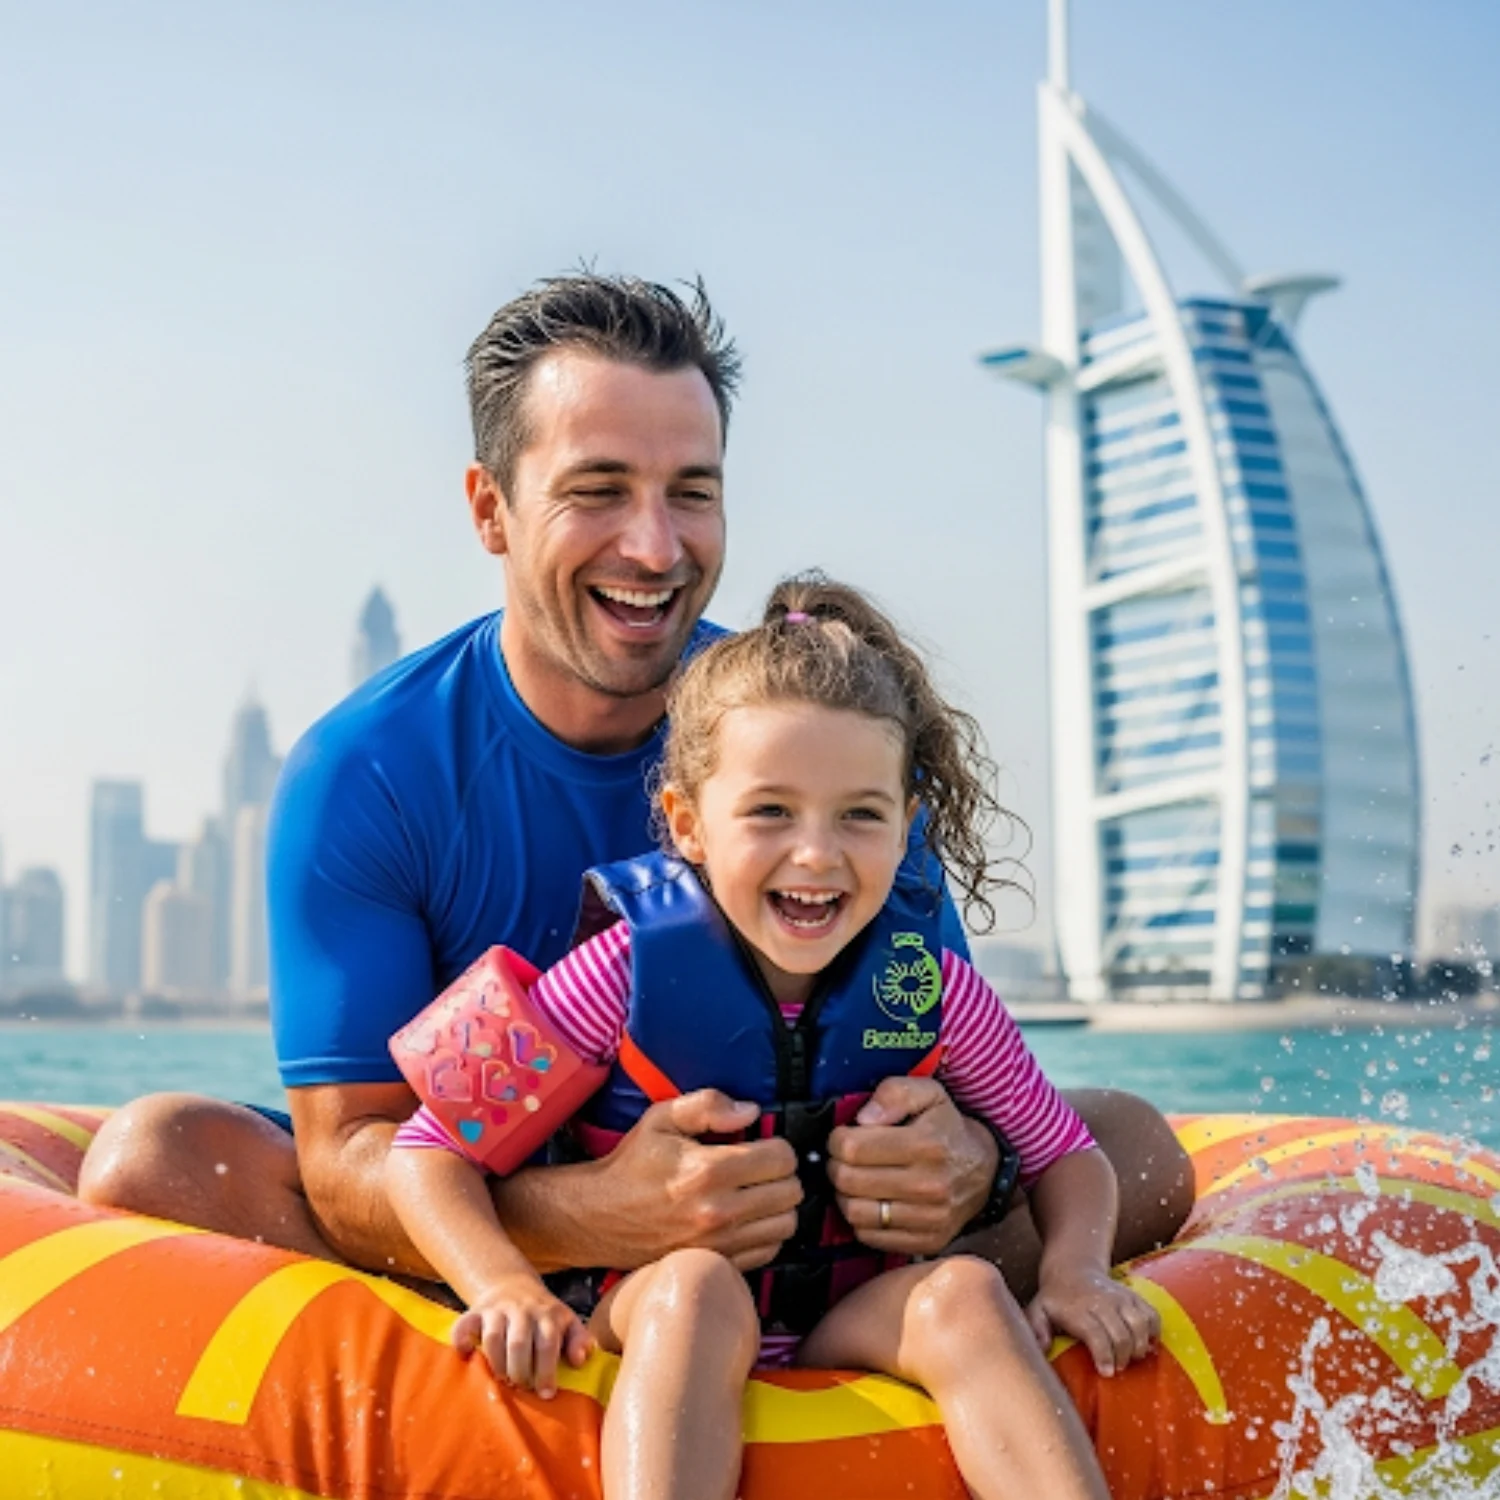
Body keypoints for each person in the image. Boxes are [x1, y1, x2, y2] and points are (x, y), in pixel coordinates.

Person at [79, 272, 1192, 1305]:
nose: (655, 547)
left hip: (811, 1223)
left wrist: (971, 1162)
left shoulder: (819, 737)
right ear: (490, 510)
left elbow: (950, 1044)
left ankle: (844, 1328)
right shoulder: (367, 772)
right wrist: (594, 1219)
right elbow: (353, 1154)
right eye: (598, 490)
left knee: (1136, 1147)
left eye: (691, 492)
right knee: (156, 1159)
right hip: (514, 1222)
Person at [387, 575, 1147, 1500]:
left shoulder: (932, 988)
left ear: (909, 832)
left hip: (848, 1312)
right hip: (659, 1305)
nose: (818, 854)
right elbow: (427, 1151)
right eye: (771, 812)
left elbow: (1065, 1153)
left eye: (860, 815)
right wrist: (502, 1283)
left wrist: (1074, 1270)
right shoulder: (616, 971)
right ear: (686, 823)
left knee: (967, 1296)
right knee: (699, 1290)